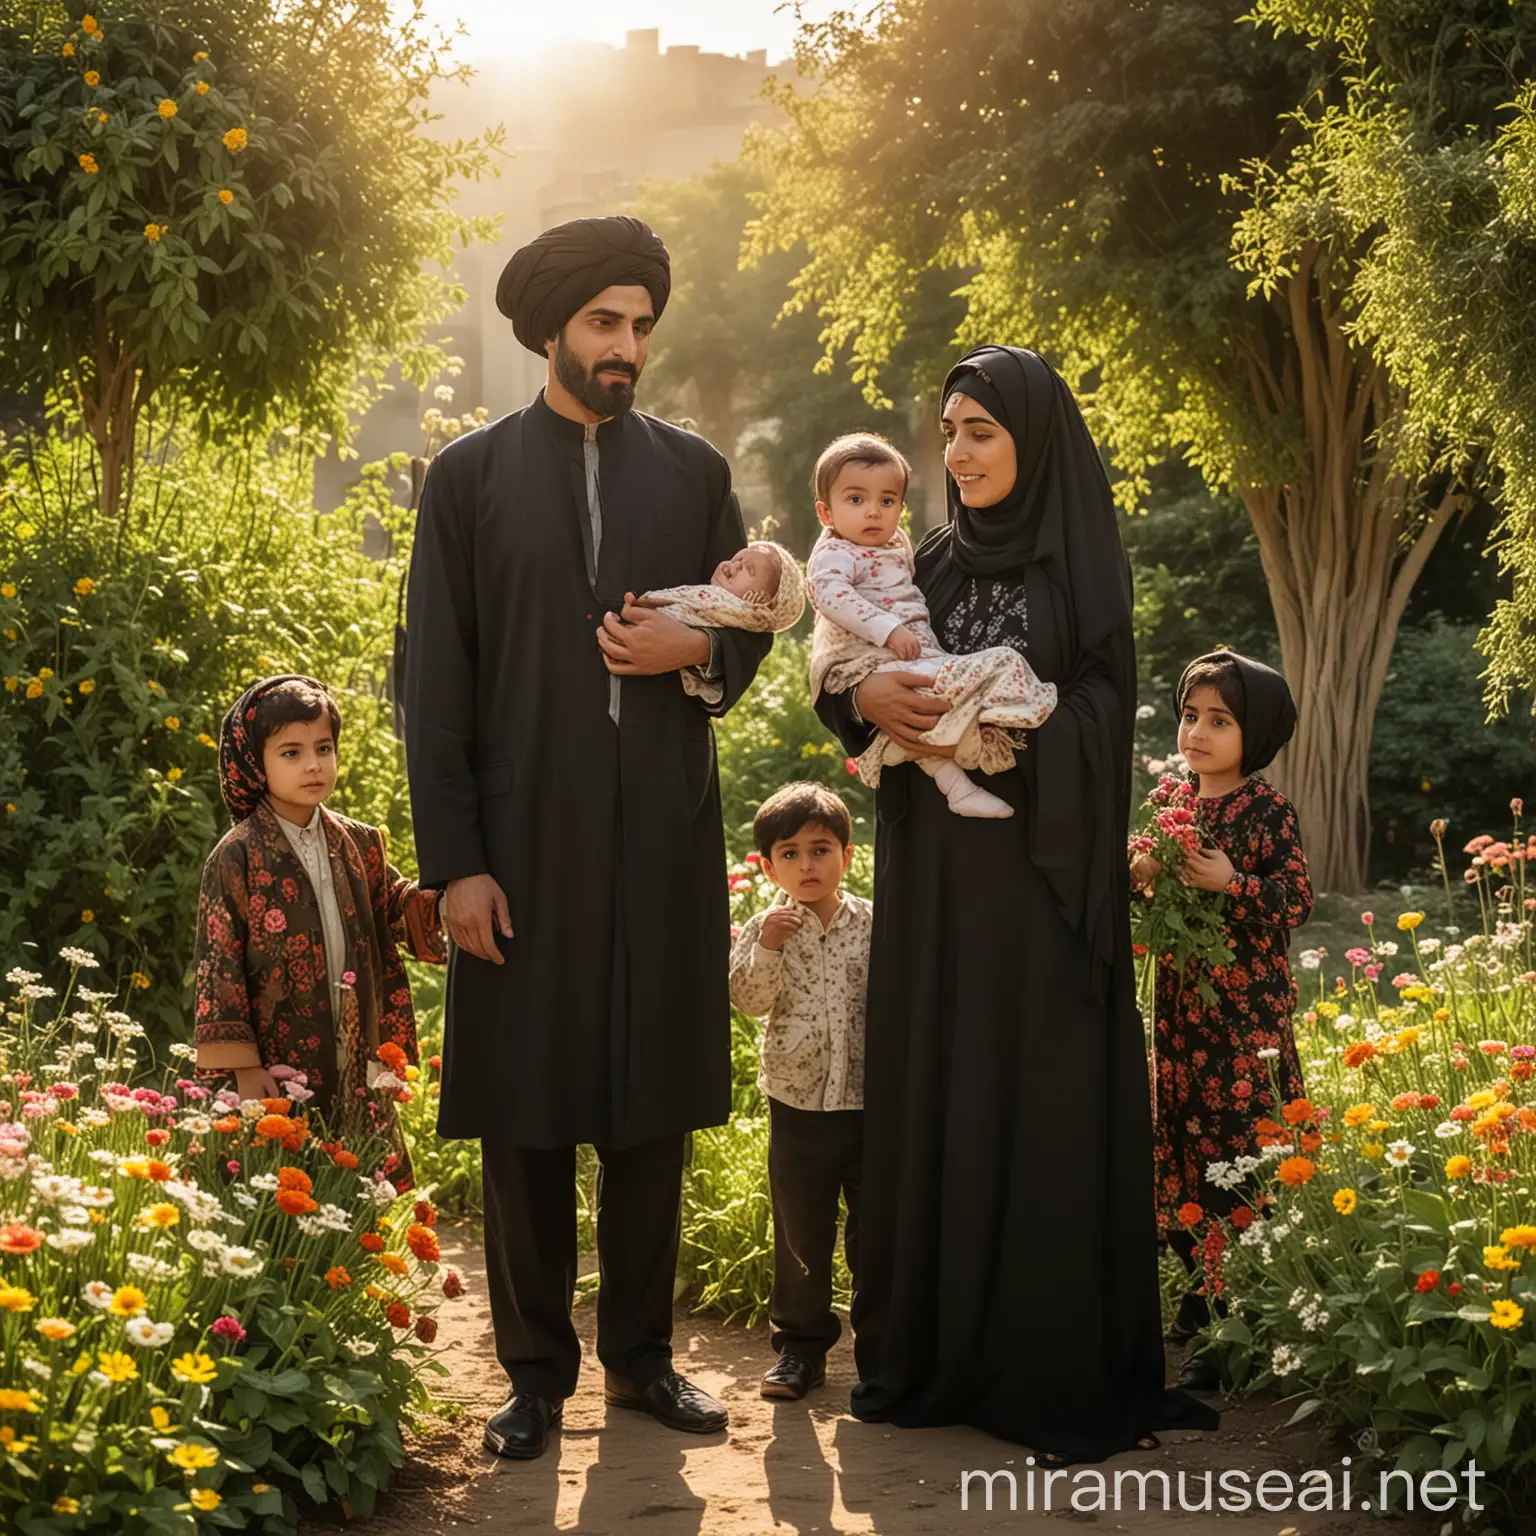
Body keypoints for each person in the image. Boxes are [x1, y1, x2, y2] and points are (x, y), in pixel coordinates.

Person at [403, 215, 771, 1461]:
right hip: (522, 843)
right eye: (605, 323)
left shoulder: (695, 471)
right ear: (552, 329)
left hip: (661, 836)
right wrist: (455, 862)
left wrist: (704, 652)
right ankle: (531, 1376)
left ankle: (646, 1362)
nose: (627, 346)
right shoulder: (467, 478)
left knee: (649, 1110)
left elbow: (748, 618)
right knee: (528, 1113)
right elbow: (434, 682)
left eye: (641, 326)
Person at [815, 345, 1219, 1463]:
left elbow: (1101, 709)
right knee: (944, 1085)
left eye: (980, 430)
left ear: (1031, 437)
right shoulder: (928, 561)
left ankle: (1042, 1360)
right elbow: (852, 670)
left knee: (1032, 1093)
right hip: (940, 887)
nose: (958, 452)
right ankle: (941, 1356)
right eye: (948, 431)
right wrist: (865, 703)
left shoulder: (1079, 563)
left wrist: (1024, 719)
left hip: (1041, 889)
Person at [1129, 651, 1312, 1391]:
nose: (1198, 731)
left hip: (1245, 1022)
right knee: (1176, 1145)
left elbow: (1295, 900)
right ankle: (1205, 1290)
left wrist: (1233, 882)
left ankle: (1237, 1317)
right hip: (1181, 1014)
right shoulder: (1176, 803)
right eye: (1191, 715)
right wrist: (1142, 874)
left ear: (1255, 733)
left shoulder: (1266, 811)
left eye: (1220, 720)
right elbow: (1156, 905)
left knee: (1236, 1156)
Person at [193, 674, 445, 1190]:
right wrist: (243, 1068)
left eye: (323, 747)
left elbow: (393, 907)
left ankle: (347, 1263)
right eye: (291, 752)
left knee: (351, 1180)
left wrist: (441, 904)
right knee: (276, 1181)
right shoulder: (236, 856)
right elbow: (219, 965)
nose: (313, 764)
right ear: (253, 762)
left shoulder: (359, 843)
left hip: (353, 1039)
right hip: (277, 1051)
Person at [805, 432, 1057, 819]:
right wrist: (866, 686)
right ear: (826, 514)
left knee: (942, 710)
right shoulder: (842, 553)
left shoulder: (898, 545)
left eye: (887, 501)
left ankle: (963, 774)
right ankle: (992, 735)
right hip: (887, 661)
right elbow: (830, 596)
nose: (873, 511)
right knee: (1001, 664)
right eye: (856, 499)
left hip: (1029, 819)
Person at [728, 783, 872, 1402]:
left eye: (820, 849)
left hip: (870, 1103)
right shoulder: (765, 929)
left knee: (877, 1231)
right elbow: (749, 1001)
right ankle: (800, 1350)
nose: (807, 865)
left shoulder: (871, 921)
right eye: (790, 853)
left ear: (847, 854)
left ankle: (884, 1344)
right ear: (768, 866)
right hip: (796, 1103)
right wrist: (768, 948)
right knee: (801, 1233)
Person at [633, 537, 807, 688]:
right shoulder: (713, 593)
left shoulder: (739, 612)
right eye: (737, 558)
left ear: (761, 600)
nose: (735, 565)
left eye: (749, 569)